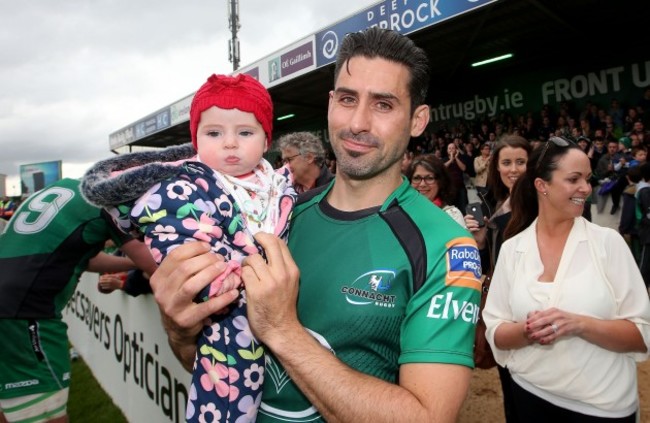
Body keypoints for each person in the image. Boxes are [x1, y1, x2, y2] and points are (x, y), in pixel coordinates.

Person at [149, 27, 481, 422]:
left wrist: (282, 331)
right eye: (347, 99)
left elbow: (429, 417)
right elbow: (214, 369)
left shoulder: (446, 245)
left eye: (383, 105)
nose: (357, 122)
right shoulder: (273, 221)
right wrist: (179, 330)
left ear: (417, 120)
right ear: (330, 104)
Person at [82, 73, 296, 423]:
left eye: (245, 132)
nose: (230, 143)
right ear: (195, 139)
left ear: (266, 138)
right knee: (228, 407)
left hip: (284, 326)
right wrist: (246, 277)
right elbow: (194, 271)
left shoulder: (278, 185)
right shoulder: (175, 193)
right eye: (214, 133)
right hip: (227, 325)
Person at [483, 137, 650, 421]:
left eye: (587, 178)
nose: (586, 188)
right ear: (542, 185)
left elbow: (641, 334)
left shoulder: (607, 244)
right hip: (529, 396)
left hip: (602, 408)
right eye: (574, 179)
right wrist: (528, 331)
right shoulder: (513, 248)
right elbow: (496, 331)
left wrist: (579, 324)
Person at [0, 178, 157, 423]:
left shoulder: (73, 187)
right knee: (46, 414)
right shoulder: (112, 200)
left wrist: (130, 263)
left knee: (13, 404)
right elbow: (156, 265)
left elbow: (84, 259)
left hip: (13, 302)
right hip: (26, 311)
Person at [464, 134, 531, 423]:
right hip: (502, 308)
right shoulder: (490, 204)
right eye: (507, 163)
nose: (513, 169)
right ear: (497, 167)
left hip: (535, 305)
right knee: (510, 386)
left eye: (521, 162)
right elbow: (486, 265)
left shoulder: (544, 203)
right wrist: (478, 241)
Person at [407, 154, 466, 227]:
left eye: (429, 178)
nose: (422, 184)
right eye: (416, 178)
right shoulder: (401, 213)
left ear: (440, 182)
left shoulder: (452, 216)